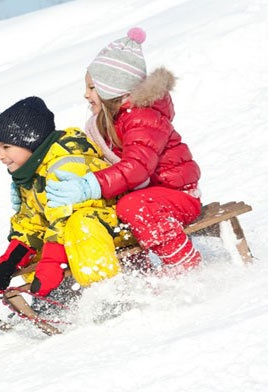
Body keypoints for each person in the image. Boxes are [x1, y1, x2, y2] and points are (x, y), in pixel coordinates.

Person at [45, 28, 202, 273]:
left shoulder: (143, 117)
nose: (86, 95)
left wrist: (89, 186)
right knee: (111, 211)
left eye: (92, 88)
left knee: (130, 206)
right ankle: (139, 274)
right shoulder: (109, 122)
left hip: (177, 196)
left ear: (111, 88)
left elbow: (138, 168)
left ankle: (185, 264)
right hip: (152, 197)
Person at [0, 96, 135, 297]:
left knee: (79, 225)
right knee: (36, 249)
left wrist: (51, 266)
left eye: (6, 147)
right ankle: (57, 296)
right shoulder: (30, 174)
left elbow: (65, 219)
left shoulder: (64, 164)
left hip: (115, 227)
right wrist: (8, 264)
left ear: (30, 140)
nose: (0, 156)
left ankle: (106, 292)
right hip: (78, 234)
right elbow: (31, 224)